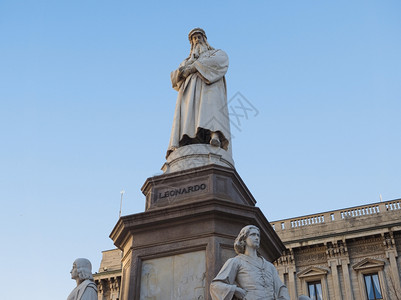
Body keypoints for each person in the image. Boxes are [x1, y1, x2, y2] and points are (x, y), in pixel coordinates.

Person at [166, 28, 231, 158]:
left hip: (209, 86)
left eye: (199, 37)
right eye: (194, 39)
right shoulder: (187, 60)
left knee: (211, 109)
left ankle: (215, 135)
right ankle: (186, 140)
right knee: (189, 116)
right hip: (189, 92)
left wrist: (195, 66)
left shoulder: (215, 53)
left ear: (204, 39)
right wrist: (187, 66)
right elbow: (174, 78)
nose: (196, 40)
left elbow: (221, 61)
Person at [210, 225, 290, 300]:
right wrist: (235, 290)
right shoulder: (236, 261)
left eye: (258, 235)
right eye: (253, 235)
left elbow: (281, 290)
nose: (257, 238)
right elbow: (215, 286)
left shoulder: (270, 266)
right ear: (244, 239)